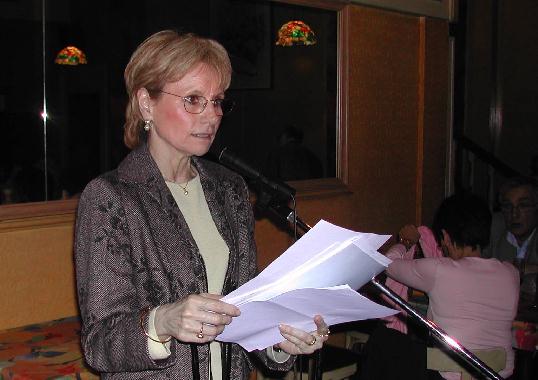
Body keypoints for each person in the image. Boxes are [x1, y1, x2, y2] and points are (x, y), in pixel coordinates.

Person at [74, 30, 329, 380]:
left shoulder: (229, 189)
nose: (212, 116)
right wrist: (162, 321)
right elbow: (100, 343)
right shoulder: (111, 198)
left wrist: (281, 339)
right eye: (193, 99)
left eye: (217, 101)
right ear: (146, 103)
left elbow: (245, 311)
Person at [361, 194, 519, 380]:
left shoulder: (440, 269)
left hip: (447, 374)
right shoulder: (511, 273)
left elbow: (387, 264)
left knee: (384, 338)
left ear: (445, 236)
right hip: (498, 374)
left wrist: (406, 242)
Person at [484, 177, 538, 300]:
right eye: (508, 206)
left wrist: (521, 268)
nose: (514, 214)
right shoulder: (494, 227)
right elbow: (475, 267)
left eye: (523, 205)